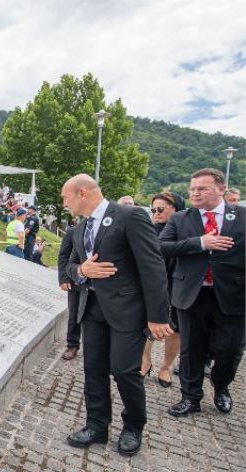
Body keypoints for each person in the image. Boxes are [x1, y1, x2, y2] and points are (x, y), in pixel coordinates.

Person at [63, 174, 170, 456]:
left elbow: (152, 266)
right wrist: (81, 271)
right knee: (93, 369)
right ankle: (97, 425)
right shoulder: (80, 228)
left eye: (66, 197)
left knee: (124, 370)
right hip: (92, 308)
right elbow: (72, 265)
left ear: (82, 193)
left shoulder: (129, 216)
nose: (64, 203)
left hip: (127, 310)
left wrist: (158, 316)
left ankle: (133, 426)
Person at [160, 168, 245, 417]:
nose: (195, 193)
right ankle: (190, 397)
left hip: (232, 296)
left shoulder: (242, 217)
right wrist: (200, 243)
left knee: (229, 349)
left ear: (221, 189)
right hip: (191, 294)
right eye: (193, 189)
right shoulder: (180, 219)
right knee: (191, 349)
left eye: (202, 188)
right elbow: (161, 246)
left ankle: (221, 387)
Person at [137, 192, 184, 385]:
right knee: (146, 325)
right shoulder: (149, 230)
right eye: (153, 210)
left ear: (177, 210)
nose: (156, 213)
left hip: (178, 285)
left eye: (161, 210)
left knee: (175, 329)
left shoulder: (186, 231)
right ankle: (145, 361)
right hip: (153, 285)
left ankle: (166, 366)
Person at [58, 225, 81, 361]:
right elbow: (64, 255)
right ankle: (72, 344)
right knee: (74, 315)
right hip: (76, 280)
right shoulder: (74, 231)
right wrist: (64, 278)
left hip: (103, 283)